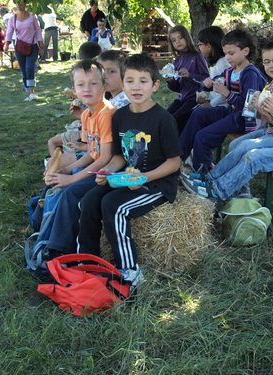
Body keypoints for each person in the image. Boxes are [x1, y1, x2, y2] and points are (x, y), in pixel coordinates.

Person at [77, 53, 182, 285]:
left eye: (143, 81)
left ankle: (130, 270)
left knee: (113, 206)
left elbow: (175, 163)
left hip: (157, 183)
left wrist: (145, 177)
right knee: (89, 200)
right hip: (127, 177)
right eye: (130, 81)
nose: (136, 87)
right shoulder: (120, 116)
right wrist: (106, 171)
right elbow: (117, 157)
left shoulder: (163, 119)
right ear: (122, 84)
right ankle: (88, 260)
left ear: (155, 85)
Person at [180, 39, 273, 200]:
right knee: (244, 146)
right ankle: (209, 179)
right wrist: (267, 114)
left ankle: (218, 191)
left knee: (254, 157)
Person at [45, 60, 115, 256]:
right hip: (97, 167)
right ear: (74, 90)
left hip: (110, 172)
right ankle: (43, 231)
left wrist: (73, 178)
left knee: (72, 192)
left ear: (104, 87)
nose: (87, 89)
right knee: (55, 181)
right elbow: (92, 152)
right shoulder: (86, 115)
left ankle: (59, 251)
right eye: (81, 84)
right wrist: (66, 170)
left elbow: (106, 157)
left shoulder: (106, 114)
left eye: (93, 83)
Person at [178, 28, 267, 175]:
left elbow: (250, 109)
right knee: (198, 113)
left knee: (202, 136)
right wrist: (206, 83)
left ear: (245, 51)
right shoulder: (231, 70)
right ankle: (178, 158)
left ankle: (203, 174)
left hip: (244, 120)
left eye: (231, 53)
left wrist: (227, 94)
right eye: (225, 53)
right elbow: (212, 82)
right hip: (231, 113)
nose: (227, 57)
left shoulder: (250, 74)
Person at [47, 49, 130, 169]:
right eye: (102, 70)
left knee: (54, 160)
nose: (105, 75)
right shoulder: (110, 97)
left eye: (111, 71)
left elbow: (105, 149)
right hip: (96, 151)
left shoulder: (120, 103)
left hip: (108, 160)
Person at [228, 40, 273, 153]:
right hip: (269, 130)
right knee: (233, 145)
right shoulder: (272, 85)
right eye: (266, 61)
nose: (271, 65)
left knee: (243, 148)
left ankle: (216, 171)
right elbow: (265, 118)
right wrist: (256, 108)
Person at [164, 24, 210, 134]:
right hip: (181, 99)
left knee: (175, 120)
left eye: (180, 38)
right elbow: (178, 88)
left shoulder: (197, 56)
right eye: (174, 40)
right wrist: (170, 81)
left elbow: (206, 79)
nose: (178, 42)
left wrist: (190, 75)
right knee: (165, 118)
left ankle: (181, 147)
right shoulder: (176, 61)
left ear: (187, 37)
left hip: (195, 99)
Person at [4, 1, 43, 101]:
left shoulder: (32, 16)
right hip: (20, 47)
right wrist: (7, 45)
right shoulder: (13, 18)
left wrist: (41, 46)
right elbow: (9, 31)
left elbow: (38, 31)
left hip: (32, 46)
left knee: (29, 67)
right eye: (17, 3)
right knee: (24, 70)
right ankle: (28, 93)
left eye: (20, 3)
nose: (19, 5)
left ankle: (32, 92)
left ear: (25, 4)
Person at [195, 26, 231, 109]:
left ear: (209, 46)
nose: (198, 46)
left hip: (222, 108)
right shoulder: (218, 63)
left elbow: (224, 93)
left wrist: (211, 104)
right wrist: (207, 99)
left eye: (200, 44)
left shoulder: (223, 64)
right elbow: (216, 92)